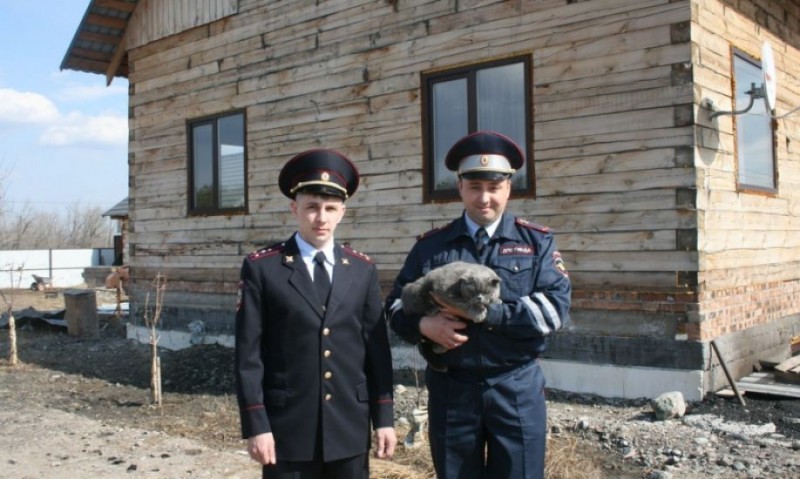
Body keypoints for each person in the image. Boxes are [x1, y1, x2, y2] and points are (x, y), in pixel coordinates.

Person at [385, 131, 571, 479]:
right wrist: (424, 327)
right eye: (474, 187)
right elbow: (395, 307)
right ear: (459, 187)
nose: (484, 198)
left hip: (514, 386)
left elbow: (554, 310)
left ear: (508, 188)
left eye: (494, 187)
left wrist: (484, 313)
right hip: (452, 388)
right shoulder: (432, 247)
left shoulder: (536, 243)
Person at [235, 149, 397, 479]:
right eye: (312, 207)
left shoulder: (362, 270)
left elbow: (377, 352)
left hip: (348, 428)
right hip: (286, 431)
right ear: (295, 208)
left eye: (330, 208)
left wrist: (384, 419)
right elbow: (248, 355)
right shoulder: (263, 269)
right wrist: (256, 424)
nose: (321, 218)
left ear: (342, 212)